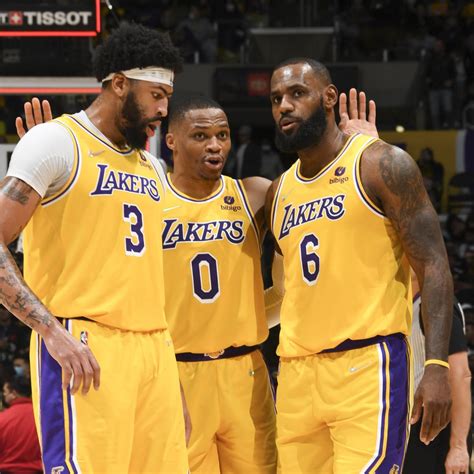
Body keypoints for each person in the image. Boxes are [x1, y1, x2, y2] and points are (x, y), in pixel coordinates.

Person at [18, 86, 380, 473]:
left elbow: (324, 214)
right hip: (175, 372)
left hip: (245, 371)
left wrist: (358, 153)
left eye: (222, 135)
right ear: (171, 140)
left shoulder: (255, 194)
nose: (215, 146)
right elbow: (78, 229)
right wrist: (46, 171)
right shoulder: (147, 194)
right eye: (201, 135)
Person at [0, 23, 189, 473]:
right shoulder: (55, 142)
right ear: (119, 84)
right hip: (84, 343)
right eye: (156, 95)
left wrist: (170, 374)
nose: (164, 109)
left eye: (167, 96)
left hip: (154, 351)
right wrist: (50, 332)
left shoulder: (153, 168)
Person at [265, 57, 453, 472]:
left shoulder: (380, 165)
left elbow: (434, 265)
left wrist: (437, 366)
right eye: (276, 99)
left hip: (368, 366)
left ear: (329, 97)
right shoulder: (278, 192)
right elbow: (284, 292)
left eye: (297, 93)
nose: (284, 106)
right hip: (296, 375)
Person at [405, 271, 472, 474]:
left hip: (436, 427)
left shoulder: (437, 303)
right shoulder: (405, 305)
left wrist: (458, 447)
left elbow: (460, 375)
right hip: (415, 427)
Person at [0, 376, 42, 474]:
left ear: (14, 393)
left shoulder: (2, 419)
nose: (4, 394)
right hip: (39, 471)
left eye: (5, 391)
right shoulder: (43, 418)